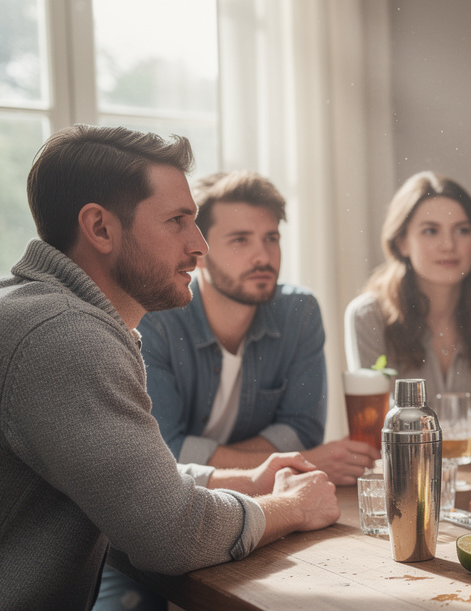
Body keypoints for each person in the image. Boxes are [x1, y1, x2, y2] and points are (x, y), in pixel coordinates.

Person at [0, 125, 340, 611]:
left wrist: (236, 481)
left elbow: (124, 475)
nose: (199, 245)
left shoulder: (36, 307)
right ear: (100, 228)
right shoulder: (63, 336)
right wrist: (291, 508)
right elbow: (171, 535)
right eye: (179, 221)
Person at [140, 171, 379, 487]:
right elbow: (165, 453)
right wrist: (297, 461)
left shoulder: (298, 312)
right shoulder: (155, 322)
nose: (263, 257)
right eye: (240, 240)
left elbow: (303, 430)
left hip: (266, 498)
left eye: (271, 239)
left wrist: (205, 456)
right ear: (198, 252)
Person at [345, 171, 471, 458]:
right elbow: (386, 432)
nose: (448, 245)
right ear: (401, 242)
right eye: (430, 231)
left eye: (462, 230)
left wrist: (442, 440)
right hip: (406, 477)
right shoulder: (367, 316)